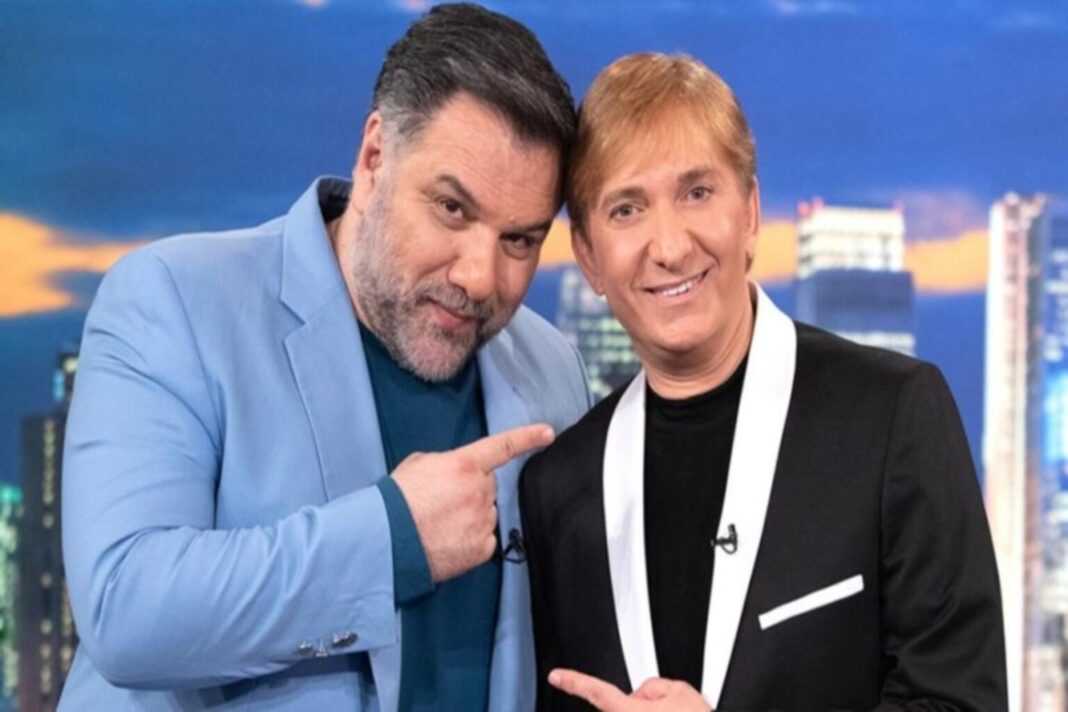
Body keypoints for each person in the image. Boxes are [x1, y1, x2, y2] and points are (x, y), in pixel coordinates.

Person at [59, 4, 590, 710]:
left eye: (520, 240)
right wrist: (393, 540)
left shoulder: (552, 367)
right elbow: (126, 608)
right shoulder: (174, 301)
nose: (479, 277)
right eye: (452, 209)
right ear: (374, 159)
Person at [520, 53, 1006, 711]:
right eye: (627, 209)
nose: (670, 246)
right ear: (588, 257)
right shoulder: (558, 486)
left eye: (697, 192)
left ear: (750, 212)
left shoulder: (894, 416)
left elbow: (960, 702)